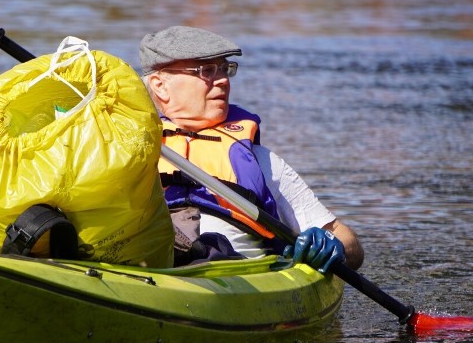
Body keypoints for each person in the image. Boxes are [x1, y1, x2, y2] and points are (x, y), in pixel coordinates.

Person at [139, 25, 364, 272]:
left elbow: (348, 242)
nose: (223, 80)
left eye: (225, 69)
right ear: (160, 86)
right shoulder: (131, 152)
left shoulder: (261, 161)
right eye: (206, 71)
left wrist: (335, 247)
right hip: (152, 261)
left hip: (235, 274)